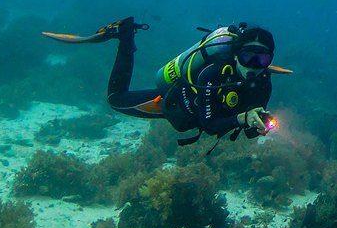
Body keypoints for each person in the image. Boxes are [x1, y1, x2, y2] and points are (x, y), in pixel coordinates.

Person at [44, 18, 282, 146]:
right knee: (116, 100)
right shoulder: (212, 73)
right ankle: (124, 37)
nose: (253, 66)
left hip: (200, 114)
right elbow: (209, 124)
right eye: (247, 57)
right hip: (175, 103)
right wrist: (241, 118)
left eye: (261, 59)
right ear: (236, 54)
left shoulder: (263, 81)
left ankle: (125, 35)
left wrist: (258, 125)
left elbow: (247, 127)